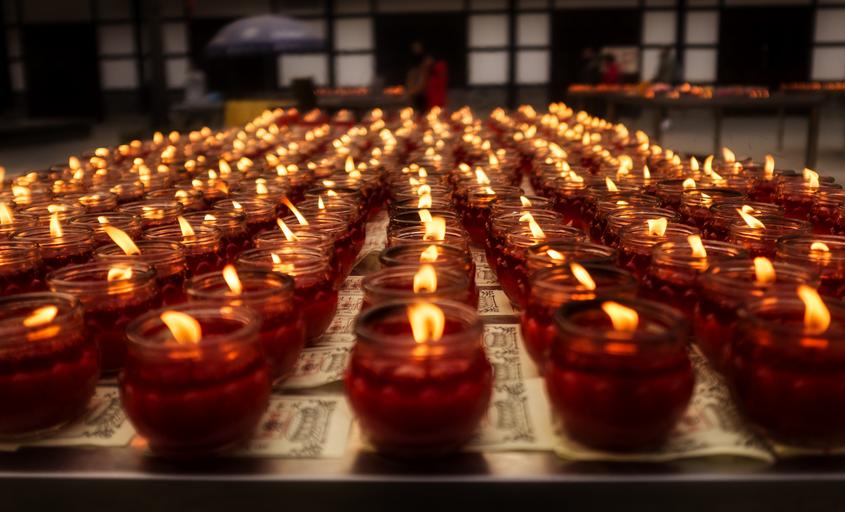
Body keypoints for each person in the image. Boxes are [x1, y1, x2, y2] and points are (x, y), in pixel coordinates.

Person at [406, 41, 433, 113]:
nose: (416, 49)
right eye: (414, 47)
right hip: (414, 90)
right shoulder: (412, 63)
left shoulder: (426, 60)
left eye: (418, 47)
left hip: (423, 91)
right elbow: (411, 77)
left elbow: (424, 79)